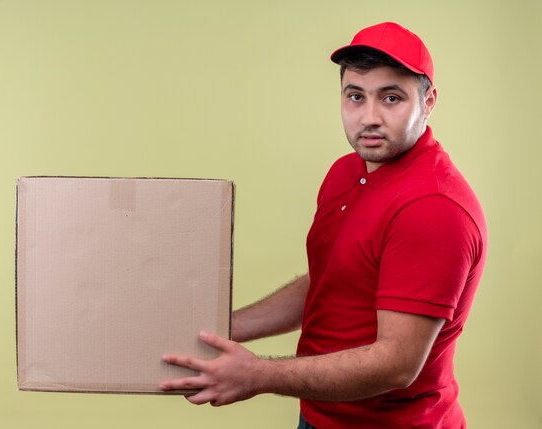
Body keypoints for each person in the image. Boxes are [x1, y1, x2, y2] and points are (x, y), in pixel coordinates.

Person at [159, 21, 488, 429]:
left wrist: (256, 374)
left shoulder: (433, 206)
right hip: (320, 414)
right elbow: (333, 278)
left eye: (391, 98)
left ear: (429, 101)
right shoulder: (346, 172)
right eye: (355, 96)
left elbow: (396, 364)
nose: (369, 117)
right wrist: (222, 328)